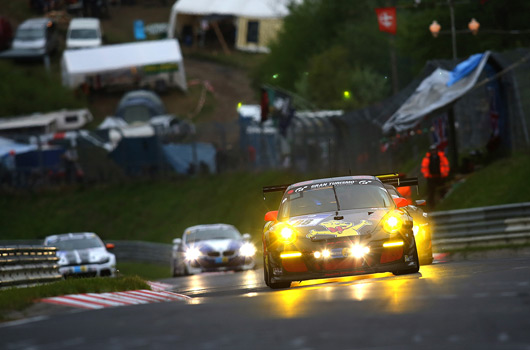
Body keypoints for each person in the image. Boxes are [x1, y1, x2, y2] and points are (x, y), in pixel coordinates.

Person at [421, 144, 450, 210]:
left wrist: (444, 175)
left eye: (434, 150)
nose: (433, 151)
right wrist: (428, 176)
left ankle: (444, 202)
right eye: (432, 150)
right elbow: (424, 169)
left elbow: (446, 166)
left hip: (440, 177)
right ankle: (431, 206)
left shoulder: (442, 158)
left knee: (442, 190)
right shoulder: (427, 159)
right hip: (431, 178)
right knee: (431, 192)